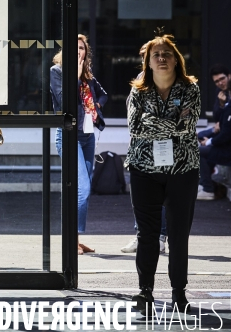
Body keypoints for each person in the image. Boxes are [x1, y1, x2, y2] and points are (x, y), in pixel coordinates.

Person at [124, 32, 200, 315]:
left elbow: (187, 127)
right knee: (148, 234)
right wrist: (171, 123)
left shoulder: (190, 89)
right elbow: (136, 127)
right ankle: (145, 293)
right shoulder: (138, 91)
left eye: (166, 54)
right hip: (144, 170)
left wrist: (154, 122)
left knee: (179, 236)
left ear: (176, 59)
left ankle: (179, 294)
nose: (161, 58)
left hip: (183, 170)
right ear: (148, 62)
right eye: (155, 55)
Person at [50, 34, 108, 255]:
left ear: (86, 52)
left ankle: (74, 239)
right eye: (73, 49)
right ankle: (70, 239)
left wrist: (96, 106)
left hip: (87, 136)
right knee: (81, 189)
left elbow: (104, 95)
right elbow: (64, 99)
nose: (78, 52)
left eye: (81, 48)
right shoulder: (57, 72)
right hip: (68, 136)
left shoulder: (88, 75)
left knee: (78, 189)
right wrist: (75, 75)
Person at [121, 42, 167, 254]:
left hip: (162, 143)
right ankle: (142, 235)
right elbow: (134, 114)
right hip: (140, 143)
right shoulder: (140, 79)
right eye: (147, 57)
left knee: (162, 192)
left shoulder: (168, 79)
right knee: (141, 194)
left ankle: (161, 236)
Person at [196, 65, 231, 145]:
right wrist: (221, 104)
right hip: (221, 127)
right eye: (216, 81)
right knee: (200, 136)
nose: (220, 83)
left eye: (222, 79)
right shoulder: (220, 90)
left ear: (229, 76)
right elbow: (216, 117)